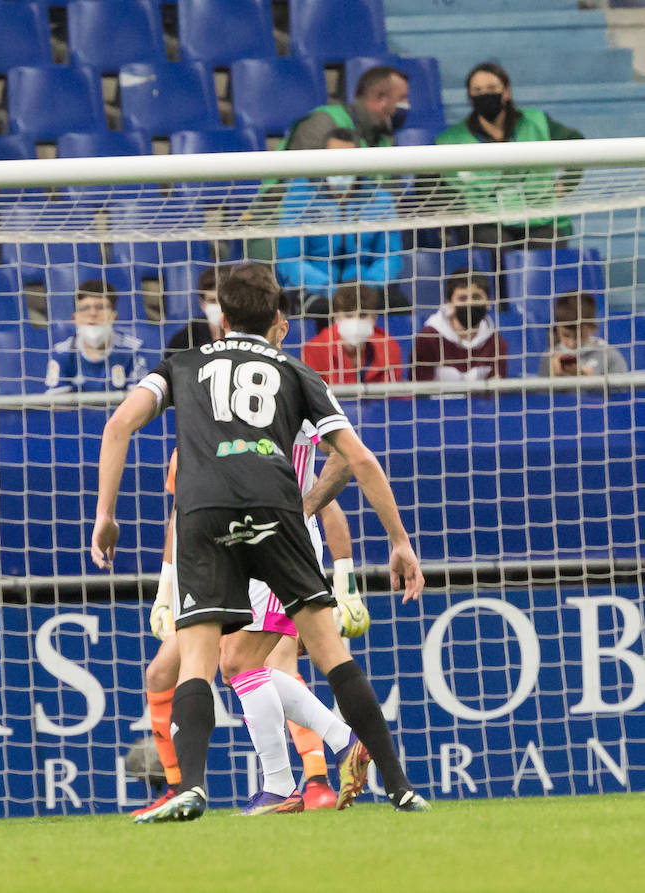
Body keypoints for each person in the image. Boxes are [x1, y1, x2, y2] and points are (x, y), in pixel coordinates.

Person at [93, 262, 430, 821]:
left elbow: (117, 426)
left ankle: (195, 788)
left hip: (204, 513)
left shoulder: (181, 364)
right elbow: (359, 459)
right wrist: (399, 541)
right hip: (279, 514)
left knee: (201, 661)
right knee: (328, 653)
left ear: (220, 320)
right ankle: (398, 786)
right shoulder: (297, 374)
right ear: (280, 320)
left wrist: (105, 514)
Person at [436, 62, 584, 250]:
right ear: (470, 97)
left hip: (540, 219)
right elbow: (428, 184)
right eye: (477, 90)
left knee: (545, 245)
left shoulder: (536, 122)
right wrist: (457, 206)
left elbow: (577, 143)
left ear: (506, 91)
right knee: (497, 245)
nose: (484, 95)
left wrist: (567, 182)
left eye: (491, 88)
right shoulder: (450, 140)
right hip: (485, 222)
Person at [274, 129, 404, 315]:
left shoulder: (380, 200)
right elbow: (290, 259)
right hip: (315, 290)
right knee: (320, 310)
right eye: (335, 158)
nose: (341, 166)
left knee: (400, 305)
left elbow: (391, 256)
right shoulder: (298, 199)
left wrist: (366, 285)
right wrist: (329, 288)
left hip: (368, 288)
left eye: (348, 159)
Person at [45, 279, 149, 394]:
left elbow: (139, 398)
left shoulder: (133, 349)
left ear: (114, 317)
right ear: (75, 318)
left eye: (100, 307)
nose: (93, 313)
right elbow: (56, 404)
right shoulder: (61, 352)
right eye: (85, 308)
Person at [283, 65, 409, 151]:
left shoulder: (384, 138)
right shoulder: (323, 123)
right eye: (402, 98)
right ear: (381, 98)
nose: (407, 104)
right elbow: (298, 181)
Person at [413, 269, 508, 382]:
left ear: (489, 303)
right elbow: (418, 391)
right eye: (462, 298)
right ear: (449, 304)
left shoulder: (497, 342)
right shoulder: (428, 338)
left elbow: (496, 394)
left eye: (476, 297)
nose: (470, 303)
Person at [302, 284, 404, 386]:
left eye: (363, 315)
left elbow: (394, 399)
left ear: (374, 318)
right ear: (336, 317)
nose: (356, 322)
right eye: (348, 315)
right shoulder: (315, 349)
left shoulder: (389, 347)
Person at [539, 291, 628, 378]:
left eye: (579, 336)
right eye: (566, 335)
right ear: (557, 329)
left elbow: (623, 389)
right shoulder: (549, 356)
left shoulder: (609, 355)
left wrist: (590, 380)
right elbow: (539, 391)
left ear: (593, 329)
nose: (571, 343)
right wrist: (554, 377)